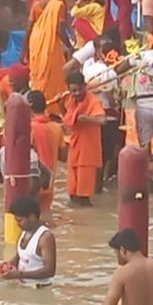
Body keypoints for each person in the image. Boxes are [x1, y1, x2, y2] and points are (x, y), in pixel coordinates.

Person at [26, 0, 71, 106]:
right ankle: (53, 106)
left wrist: (24, 51)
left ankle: (38, 103)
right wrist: (70, 46)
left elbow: (28, 28)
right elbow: (60, 30)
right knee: (54, 74)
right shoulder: (59, 4)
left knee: (38, 72)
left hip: (35, 41)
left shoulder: (37, 4)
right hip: (50, 43)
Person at [64, 71, 107, 206]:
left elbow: (102, 120)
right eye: (73, 91)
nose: (76, 93)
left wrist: (85, 118)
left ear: (85, 86)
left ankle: (86, 223)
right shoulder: (71, 100)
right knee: (72, 194)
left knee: (83, 197)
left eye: (79, 89)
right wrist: (60, 104)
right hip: (75, 150)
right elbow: (68, 120)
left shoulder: (93, 101)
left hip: (88, 154)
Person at [0, 195, 56, 287]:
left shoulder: (45, 237)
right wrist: (5, 266)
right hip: (24, 287)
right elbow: (20, 257)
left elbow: (49, 271)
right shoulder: (24, 232)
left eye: (20, 220)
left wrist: (18, 275)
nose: (18, 224)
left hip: (39, 290)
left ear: (32, 217)